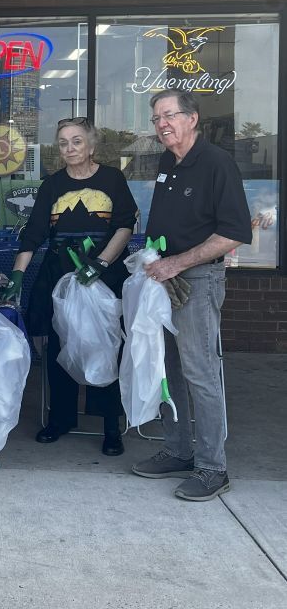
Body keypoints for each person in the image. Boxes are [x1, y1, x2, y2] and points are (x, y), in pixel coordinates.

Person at [131, 89, 251, 501]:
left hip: (197, 282)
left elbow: (234, 232)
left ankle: (213, 468)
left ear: (192, 118)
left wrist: (177, 263)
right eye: (156, 118)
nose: (162, 124)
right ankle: (179, 450)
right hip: (163, 281)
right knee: (168, 369)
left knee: (201, 372)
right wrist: (154, 260)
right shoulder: (169, 161)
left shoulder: (216, 164)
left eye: (169, 115)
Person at [3, 117, 137, 457]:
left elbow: (124, 226)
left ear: (91, 145)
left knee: (104, 347)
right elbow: (33, 233)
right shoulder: (52, 185)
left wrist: (101, 263)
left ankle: (109, 425)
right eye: (63, 142)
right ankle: (60, 419)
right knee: (59, 346)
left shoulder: (112, 178)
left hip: (104, 277)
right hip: (61, 278)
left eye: (77, 141)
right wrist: (18, 274)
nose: (69, 148)